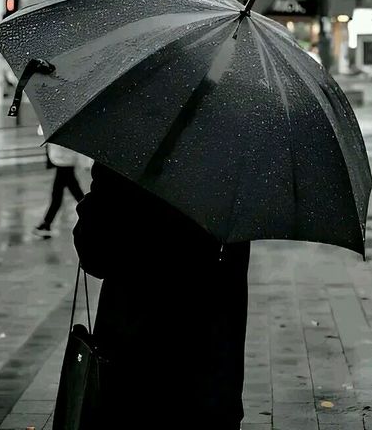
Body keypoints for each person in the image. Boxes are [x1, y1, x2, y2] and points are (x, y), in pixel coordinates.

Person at [73, 162, 250, 430]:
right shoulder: (234, 162)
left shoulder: (129, 154)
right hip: (209, 359)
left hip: (135, 358)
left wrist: (90, 205)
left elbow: (94, 253)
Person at [34, 127, 85, 237]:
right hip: (63, 161)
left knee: (61, 195)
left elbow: (41, 131)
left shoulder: (61, 124)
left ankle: (47, 224)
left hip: (64, 161)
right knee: (65, 194)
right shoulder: (62, 122)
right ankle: (46, 224)